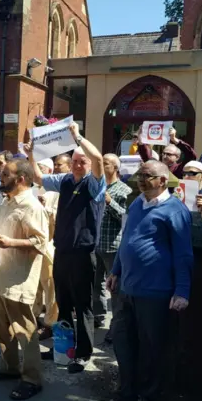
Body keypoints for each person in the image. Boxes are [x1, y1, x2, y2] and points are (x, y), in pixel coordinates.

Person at [97, 160, 193, 401]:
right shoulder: (137, 203)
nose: (140, 179)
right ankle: (125, 397)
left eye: (147, 176)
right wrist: (115, 270)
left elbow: (183, 255)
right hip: (127, 288)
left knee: (152, 350)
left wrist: (182, 291)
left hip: (156, 292)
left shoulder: (175, 210)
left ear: (163, 181)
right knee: (123, 342)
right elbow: (127, 237)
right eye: (140, 174)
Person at [25, 122, 106, 373]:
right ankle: (62, 347)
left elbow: (99, 157)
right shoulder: (65, 180)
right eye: (75, 160)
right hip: (63, 249)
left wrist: (78, 137)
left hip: (83, 252)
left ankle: (83, 353)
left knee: (82, 305)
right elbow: (38, 177)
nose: (78, 164)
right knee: (63, 301)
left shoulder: (94, 184)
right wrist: (30, 154)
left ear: (90, 165)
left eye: (83, 161)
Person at [0, 159, 48, 401]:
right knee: (2, 327)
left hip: (18, 277)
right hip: (0, 272)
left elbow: (41, 243)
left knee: (24, 329)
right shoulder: (7, 202)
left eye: (5, 174)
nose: (0, 176)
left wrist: (12, 243)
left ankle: (32, 379)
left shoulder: (31, 206)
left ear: (20, 179)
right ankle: (9, 366)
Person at [94, 154, 131, 341]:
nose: (101, 166)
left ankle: (116, 327)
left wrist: (110, 202)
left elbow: (126, 217)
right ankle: (98, 316)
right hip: (96, 243)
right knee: (96, 283)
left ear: (115, 168)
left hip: (112, 245)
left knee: (114, 289)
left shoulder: (124, 190)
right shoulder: (98, 186)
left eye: (105, 163)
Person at [33, 158, 60, 340]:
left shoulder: (56, 191)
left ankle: (50, 322)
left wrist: (46, 210)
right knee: (34, 284)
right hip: (31, 244)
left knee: (50, 285)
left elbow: (59, 217)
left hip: (49, 245)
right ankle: (33, 317)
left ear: (48, 171)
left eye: (40, 169)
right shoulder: (30, 189)